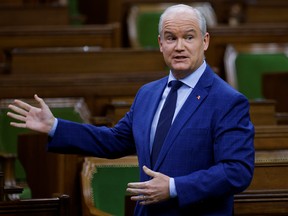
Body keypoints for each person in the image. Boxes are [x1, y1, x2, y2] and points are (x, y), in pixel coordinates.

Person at [7, 4, 254, 216]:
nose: (179, 46)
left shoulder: (227, 100)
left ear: (205, 41)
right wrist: (56, 127)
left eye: (188, 37)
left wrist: (174, 187)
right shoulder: (147, 94)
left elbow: (237, 170)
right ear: (160, 44)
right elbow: (114, 141)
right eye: (171, 38)